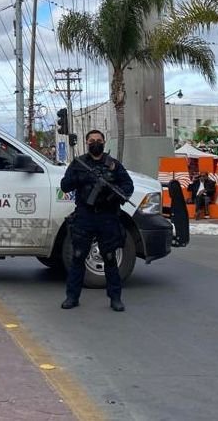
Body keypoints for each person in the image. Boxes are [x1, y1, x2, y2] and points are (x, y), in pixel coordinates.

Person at [59, 130, 134, 312]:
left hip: (107, 216)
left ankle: (115, 298)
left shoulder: (113, 164)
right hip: (85, 216)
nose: (95, 143)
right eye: (92, 140)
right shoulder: (79, 164)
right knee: (78, 256)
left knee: (109, 258)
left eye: (98, 140)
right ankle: (72, 297)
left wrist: (113, 193)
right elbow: (65, 186)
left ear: (104, 142)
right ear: (87, 143)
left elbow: (128, 186)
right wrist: (81, 177)